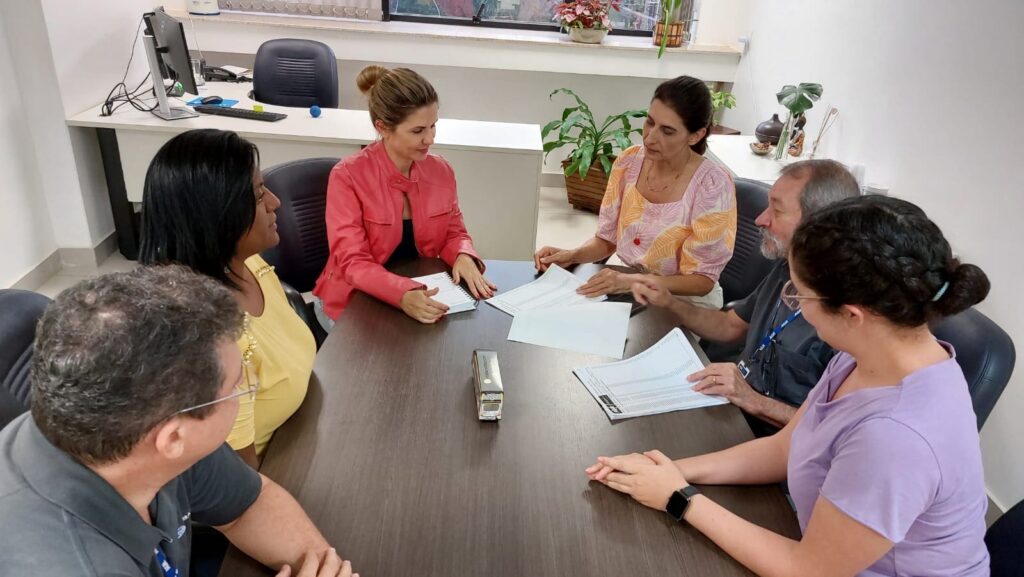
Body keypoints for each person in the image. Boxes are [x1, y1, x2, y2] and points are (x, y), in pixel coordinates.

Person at [587, 195, 991, 576]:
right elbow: (786, 447)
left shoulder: (896, 436)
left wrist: (679, 498)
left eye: (801, 296)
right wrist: (670, 470)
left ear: (852, 314)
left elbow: (807, 570)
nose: (795, 304)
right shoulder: (868, 354)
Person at [0, 266, 356, 577]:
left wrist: (327, 567)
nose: (249, 387)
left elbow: (250, 503)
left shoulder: (140, 429)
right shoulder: (70, 564)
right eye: (237, 386)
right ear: (172, 439)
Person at [631, 160, 860, 435]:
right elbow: (730, 326)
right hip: (729, 407)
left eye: (776, 209)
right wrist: (670, 303)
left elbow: (834, 430)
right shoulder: (787, 267)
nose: (760, 219)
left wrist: (753, 400)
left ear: (819, 224)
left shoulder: (850, 317)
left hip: (770, 441)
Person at [139, 128, 316, 468]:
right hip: (282, 471)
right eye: (259, 193)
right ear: (216, 215)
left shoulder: (247, 262)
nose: (275, 203)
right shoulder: (213, 344)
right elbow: (241, 486)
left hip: (305, 429)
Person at [313, 66, 495, 328]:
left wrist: (463, 255)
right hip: (352, 301)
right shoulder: (347, 176)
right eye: (418, 130)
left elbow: (454, 232)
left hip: (420, 291)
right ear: (383, 127)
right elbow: (352, 262)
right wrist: (402, 293)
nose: (430, 138)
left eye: (433, 126)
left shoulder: (441, 170)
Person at [534, 75, 737, 310]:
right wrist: (572, 255)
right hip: (630, 289)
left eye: (667, 131)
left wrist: (631, 282)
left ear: (696, 135)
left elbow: (702, 282)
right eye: (650, 122)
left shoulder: (712, 185)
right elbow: (607, 240)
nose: (650, 137)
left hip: (684, 303)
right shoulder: (629, 162)